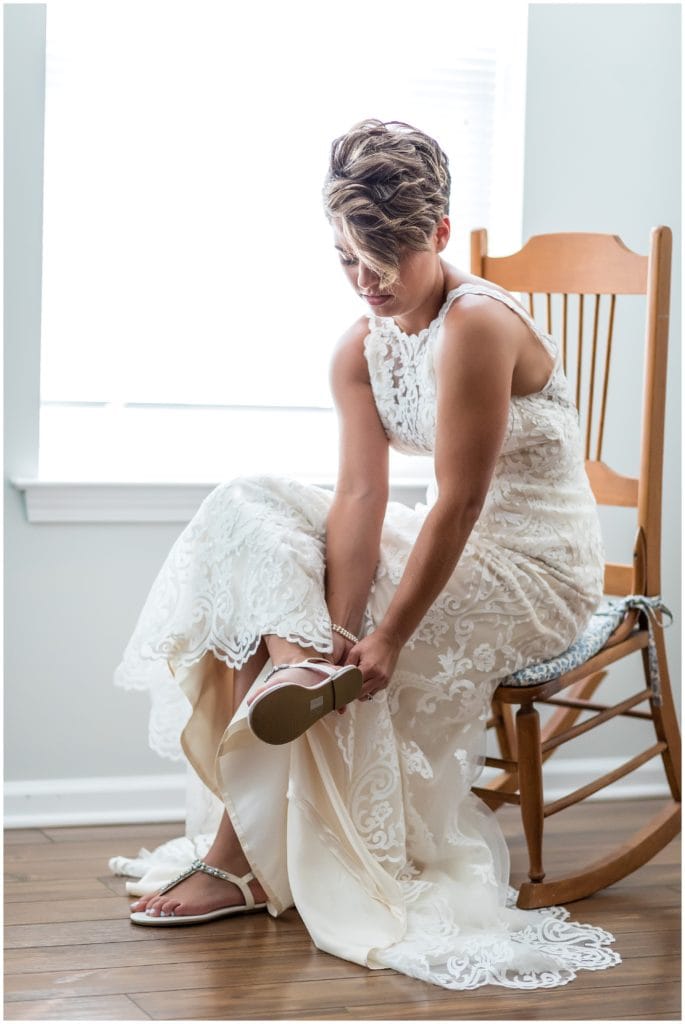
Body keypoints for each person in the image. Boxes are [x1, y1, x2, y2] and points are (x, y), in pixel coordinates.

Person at [113, 120, 620, 989]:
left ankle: (239, 855)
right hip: (437, 540)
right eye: (347, 259)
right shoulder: (359, 344)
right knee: (250, 505)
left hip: (531, 568)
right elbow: (359, 497)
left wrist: (380, 642)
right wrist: (330, 629)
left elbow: (458, 503)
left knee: (291, 587)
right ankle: (301, 677)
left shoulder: (478, 325)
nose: (368, 282)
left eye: (385, 259)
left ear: (439, 235)